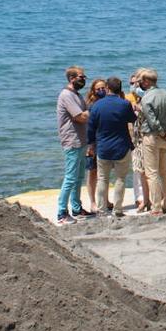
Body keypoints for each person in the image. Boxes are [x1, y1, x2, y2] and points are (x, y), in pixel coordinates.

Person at [87, 76, 136, 218]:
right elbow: (132, 119)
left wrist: (91, 144)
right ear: (120, 89)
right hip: (122, 146)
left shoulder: (97, 105)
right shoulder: (124, 104)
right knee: (120, 178)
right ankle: (117, 210)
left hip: (103, 147)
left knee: (102, 179)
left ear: (107, 88)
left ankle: (102, 210)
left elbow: (91, 128)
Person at [135, 68, 166, 214]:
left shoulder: (147, 98)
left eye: (141, 81)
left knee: (152, 173)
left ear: (147, 81)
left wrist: (161, 133)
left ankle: (156, 207)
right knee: (165, 171)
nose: (140, 84)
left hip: (152, 137)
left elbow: (152, 121)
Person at [56, 65, 94, 224]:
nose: (84, 80)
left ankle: (77, 208)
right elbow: (80, 116)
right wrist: (94, 111)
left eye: (84, 77)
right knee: (71, 178)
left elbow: (85, 114)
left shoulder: (77, 95)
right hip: (72, 140)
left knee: (78, 177)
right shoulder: (66, 95)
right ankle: (62, 212)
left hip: (81, 140)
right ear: (72, 78)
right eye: (81, 77)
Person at [126, 71, 152, 212]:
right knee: (137, 170)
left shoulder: (147, 97)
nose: (134, 86)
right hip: (133, 138)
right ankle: (140, 197)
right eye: (131, 83)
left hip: (147, 137)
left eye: (136, 83)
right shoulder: (126, 98)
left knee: (151, 169)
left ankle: (153, 196)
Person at [83, 78, 108, 214]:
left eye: (103, 88)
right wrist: (89, 145)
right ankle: (93, 202)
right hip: (93, 142)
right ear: (93, 91)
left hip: (104, 141)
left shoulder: (107, 102)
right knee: (92, 172)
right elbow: (88, 127)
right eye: (98, 89)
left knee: (104, 173)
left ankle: (105, 199)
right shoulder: (90, 106)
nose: (101, 91)